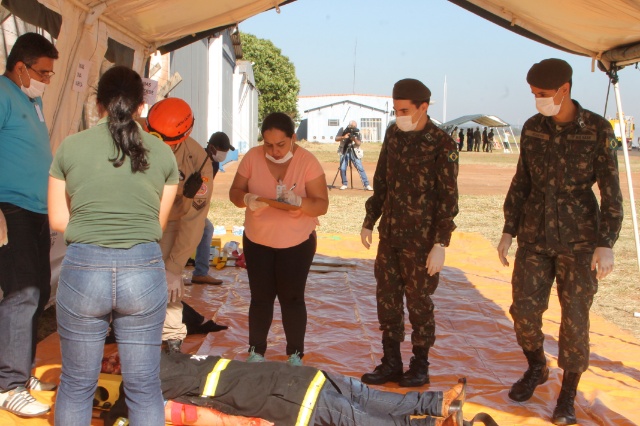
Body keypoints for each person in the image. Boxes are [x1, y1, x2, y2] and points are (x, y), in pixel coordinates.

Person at [47, 65, 179, 425]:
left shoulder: (70, 147)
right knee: (144, 386)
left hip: (83, 271)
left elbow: (58, 220)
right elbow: (157, 225)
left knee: (76, 384)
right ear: (142, 106)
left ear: (98, 103)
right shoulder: (164, 154)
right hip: (143, 270)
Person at [497, 58, 624, 426]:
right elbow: (522, 181)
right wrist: (508, 229)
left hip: (580, 241)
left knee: (574, 320)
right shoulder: (533, 128)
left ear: (564, 89)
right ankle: (537, 366)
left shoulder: (598, 130)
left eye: (542, 94)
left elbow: (612, 192)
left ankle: (568, 394)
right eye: (533, 93)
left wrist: (606, 241)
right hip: (534, 237)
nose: (537, 100)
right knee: (523, 310)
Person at [359, 78, 459, 388]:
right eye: (395, 109)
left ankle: (420, 365)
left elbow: (448, 198)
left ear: (423, 107)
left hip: (422, 241)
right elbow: (382, 182)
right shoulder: (393, 134)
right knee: (387, 300)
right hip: (390, 235)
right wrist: (370, 219)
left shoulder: (442, 143)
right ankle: (391, 362)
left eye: (404, 110)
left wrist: (441, 243)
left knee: (418, 303)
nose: (398, 115)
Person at [107, 352, 473, 426]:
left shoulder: (156, 356)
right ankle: (432, 425)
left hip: (295, 378)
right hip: (286, 401)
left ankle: (438, 403)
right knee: (358, 418)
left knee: (362, 396)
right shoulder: (145, 390)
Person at [229, 112, 329, 365]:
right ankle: (256, 351)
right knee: (260, 298)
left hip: (296, 243)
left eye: (281, 145)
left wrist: (299, 202)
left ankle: (295, 353)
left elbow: (321, 205)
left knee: (292, 298)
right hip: (258, 239)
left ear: (293, 138)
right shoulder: (252, 157)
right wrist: (247, 199)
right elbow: (234, 192)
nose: (273, 151)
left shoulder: (308, 161)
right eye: (268, 145)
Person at [0, 32, 59, 418]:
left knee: (37, 291)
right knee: (21, 294)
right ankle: (8, 384)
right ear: (20, 67)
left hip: (37, 210)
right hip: (12, 209)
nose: (47, 80)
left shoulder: (31, 98)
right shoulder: (3, 93)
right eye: (43, 72)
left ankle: (21, 370)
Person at [142, 97, 214, 355]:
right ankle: (123, 328)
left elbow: (194, 219)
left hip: (171, 222)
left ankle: (172, 336)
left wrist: (174, 266)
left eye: (166, 141)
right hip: (136, 218)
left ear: (185, 134)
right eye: (152, 135)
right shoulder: (130, 135)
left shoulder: (198, 162)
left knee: (168, 280)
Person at [191, 131, 235, 285]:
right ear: (211, 147)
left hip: (198, 206)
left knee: (206, 229)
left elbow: (206, 189)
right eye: (223, 151)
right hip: (186, 205)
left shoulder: (215, 164)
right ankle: (176, 272)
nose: (224, 154)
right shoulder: (197, 159)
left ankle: (200, 273)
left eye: (226, 151)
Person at [335, 120, 373, 190]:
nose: (354, 128)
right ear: (349, 125)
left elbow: (358, 143)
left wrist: (354, 139)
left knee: (360, 167)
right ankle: (344, 184)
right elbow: (336, 138)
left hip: (354, 151)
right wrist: (343, 137)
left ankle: (366, 184)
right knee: (342, 168)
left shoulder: (357, 131)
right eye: (352, 127)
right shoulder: (343, 129)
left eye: (355, 126)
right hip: (344, 151)